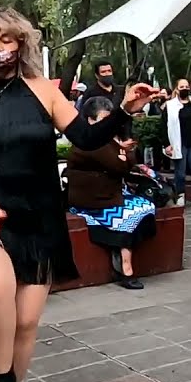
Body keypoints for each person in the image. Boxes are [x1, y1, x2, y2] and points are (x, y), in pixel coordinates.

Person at [0, 6, 154, 382]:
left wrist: (124, 109)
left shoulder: (45, 92)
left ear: (21, 44)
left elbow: (87, 138)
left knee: (26, 321)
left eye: (6, 40)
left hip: (40, 217)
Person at [67, 96, 158, 290]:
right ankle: (125, 266)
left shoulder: (105, 140)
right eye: (103, 120)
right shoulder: (90, 142)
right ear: (90, 120)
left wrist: (123, 152)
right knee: (130, 216)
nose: (107, 125)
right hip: (92, 201)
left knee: (146, 206)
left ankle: (122, 257)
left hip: (107, 195)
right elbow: (119, 165)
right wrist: (123, 151)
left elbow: (125, 162)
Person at [165, 78, 191, 208]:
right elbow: (164, 125)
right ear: (177, 89)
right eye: (182, 87)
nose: (185, 89)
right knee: (180, 171)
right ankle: (180, 195)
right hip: (178, 143)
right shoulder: (170, 105)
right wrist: (166, 144)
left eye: (186, 86)